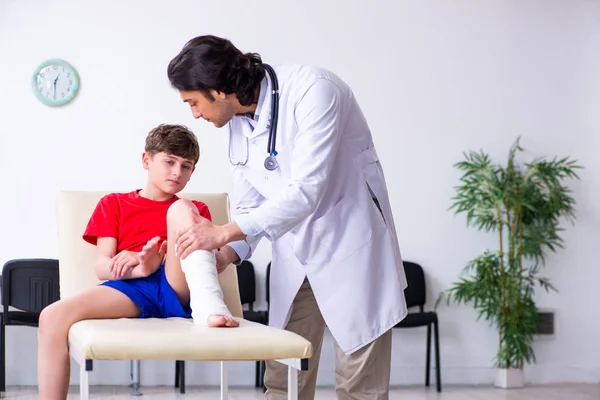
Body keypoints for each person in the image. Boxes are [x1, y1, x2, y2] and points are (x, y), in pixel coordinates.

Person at [167, 35, 408, 400]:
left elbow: (306, 190)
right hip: (295, 251)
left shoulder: (316, 90)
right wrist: (229, 253)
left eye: (194, 102)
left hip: (351, 243)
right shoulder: (235, 121)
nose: (194, 115)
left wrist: (222, 233)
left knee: (359, 384)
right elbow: (249, 205)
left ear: (218, 90)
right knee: (283, 376)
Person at [37, 123, 238, 400]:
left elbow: (208, 258)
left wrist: (163, 258)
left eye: (186, 166)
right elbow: (102, 266)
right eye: (169, 162)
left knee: (181, 208)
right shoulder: (114, 204)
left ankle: (209, 308)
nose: (177, 172)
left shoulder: (195, 209)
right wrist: (140, 267)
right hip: (132, 288)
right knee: (51, 316)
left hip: (177, 284)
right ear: (147, 160)